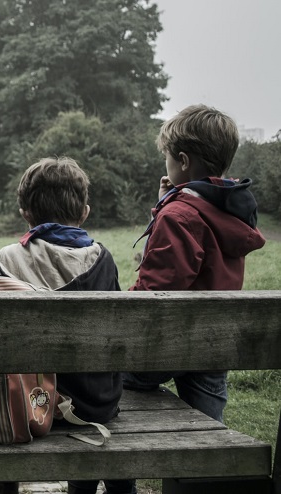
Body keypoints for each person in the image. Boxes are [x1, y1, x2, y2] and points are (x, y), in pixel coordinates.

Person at [0, 157, 129, 494]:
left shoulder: (8, 259)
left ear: (25, 213)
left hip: (27, 404)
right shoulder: (103, 260)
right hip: (94, 404)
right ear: (84, 212)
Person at [123, 104, 266, 424]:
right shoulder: (231, 208)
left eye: (168, 158)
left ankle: (120, 470)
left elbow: (156, 291)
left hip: (166, 344)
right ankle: (205, 467)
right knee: (207, 423)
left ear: (183, 161)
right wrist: (169, 202)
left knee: (103, 376)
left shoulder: (179, 216)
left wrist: (168, 210)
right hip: (213, 344)